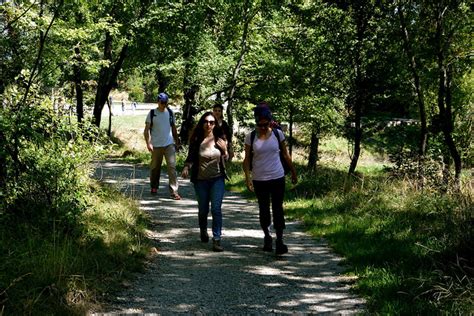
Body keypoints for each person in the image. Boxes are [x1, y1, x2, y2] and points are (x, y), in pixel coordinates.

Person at [243, 105, 297, 255]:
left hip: (277, 176)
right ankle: (267, 236)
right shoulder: (250, 137)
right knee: (264, 209)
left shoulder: (278, 134)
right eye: (259, 124)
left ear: (270, 122)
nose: (262, 127)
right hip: (259, 178)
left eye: (265, 124)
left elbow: (285, 155)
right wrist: (248, 178)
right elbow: (247, 160)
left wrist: (293, 172)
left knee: (278, 208)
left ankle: (280, 240)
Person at [181, 112, 228, 252]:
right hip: (201, 180)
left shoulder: (220, 139)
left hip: (217, 179)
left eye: (212, 122)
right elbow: (190, 157)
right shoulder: (196, 139)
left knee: (216, 209)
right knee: (203, 210)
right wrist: (186, 168)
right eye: (206, 121)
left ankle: (217, 239)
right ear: (202, 123)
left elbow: (227, 158)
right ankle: (203, 230)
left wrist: (225, 150)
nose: (209, 124)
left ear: (215, 124)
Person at [144, 92, 181, 200]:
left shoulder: (170, 113)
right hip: (156, 145)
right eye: (162, 102)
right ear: (158, 102)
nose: (164, 104)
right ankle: (154, 186)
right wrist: (148, 143)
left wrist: (177, 140)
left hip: (169, 144)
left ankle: (174, 191)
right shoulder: (152, 113)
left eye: (166, 102)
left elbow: (173, 128)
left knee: (172, 167)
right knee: (155, 167)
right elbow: (146, 130)